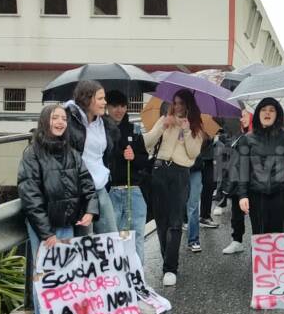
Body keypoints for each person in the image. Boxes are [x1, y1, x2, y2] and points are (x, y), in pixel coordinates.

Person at [17, 104, 97, 314]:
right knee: (45, 275)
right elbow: (30, 196)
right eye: (55, 118)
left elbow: (87, 184)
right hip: (46, 227)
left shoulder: (71, 152)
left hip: (67, 222)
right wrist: (46, 233)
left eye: (63, 118)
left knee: (65, 276)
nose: (60, 122)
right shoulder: (32, 154)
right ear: (45, 121)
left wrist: (91, 210)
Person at [143, 89, 204, 287]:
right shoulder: (164, 120)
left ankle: (170, 267)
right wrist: (162, 126)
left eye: (182, 103)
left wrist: (186, 130)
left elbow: (193, 153)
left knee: (175, 222)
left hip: (180, 173)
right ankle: (166, 259)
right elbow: (147, 143)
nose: (178, 107)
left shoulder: (195, 126)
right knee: (161, 220)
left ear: (189, 106)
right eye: (175, 102)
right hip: (160, 170)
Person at [64, 80, 119, 234]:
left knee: (112, 237)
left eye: (104, 98)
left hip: (100, 188)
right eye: (100, 98)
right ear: (87, 99)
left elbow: (105, 155)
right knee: (86, 244)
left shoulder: (103, 123)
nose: (105, 102)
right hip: (81, 192)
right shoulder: (70, 122)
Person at [104, 90, 150, 264]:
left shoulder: (134, 129)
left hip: (134, 191)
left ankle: (138, 281)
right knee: (112, 238)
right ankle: (116, 283)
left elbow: (144, 160)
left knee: (136, 236)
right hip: (111, 192)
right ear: (107, 107)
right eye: (115, 106)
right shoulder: (100, 130)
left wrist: (134, 157)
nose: (119, 110)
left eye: (123, 106)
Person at [238, 98, 284, 234]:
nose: (267, 113)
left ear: (277, 114)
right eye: (263, 110)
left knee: (281, 237)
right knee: (260, 237)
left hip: (282, 195)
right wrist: (243, 195)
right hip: (257, 195)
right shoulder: (248, 138)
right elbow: (243, 169)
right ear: (258, 113)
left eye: (271, 110)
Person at [221, 108, 252, 254]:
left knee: (257, 215)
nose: (242, 119)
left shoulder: (256, 133)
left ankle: (259, 244)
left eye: (245, 116)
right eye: (240, 116)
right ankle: (237, 241)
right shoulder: (236, 135)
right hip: (236, 179)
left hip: (255, 180)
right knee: (236, 213)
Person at [186, 134, 215, 254]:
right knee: (176, 207)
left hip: (195, 167)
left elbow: (205, 146)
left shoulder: (198, 127)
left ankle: (193, 239)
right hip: (177, 168)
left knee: (193, 205)